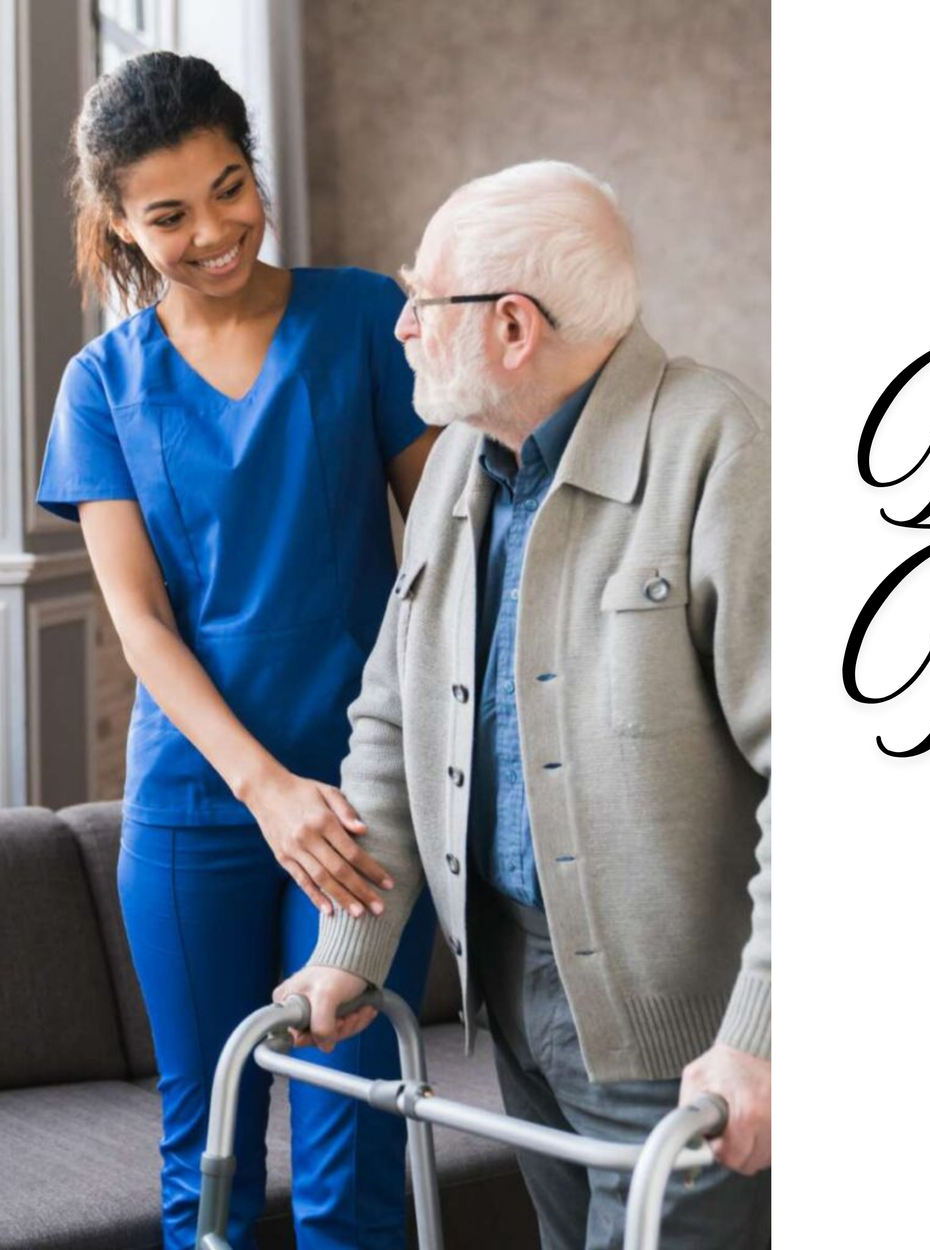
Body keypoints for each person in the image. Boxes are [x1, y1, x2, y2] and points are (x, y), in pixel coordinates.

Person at [271, 160, 772, 1249]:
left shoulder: (718, 446)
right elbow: (395, 720)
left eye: (423, 298)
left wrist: (764, 1035)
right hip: (512, 993)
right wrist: (347, 948)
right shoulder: (460, 463)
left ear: (511, 328)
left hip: (683, 1039)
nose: (401, 326)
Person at [34, 52, 442, 1250]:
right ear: (118, 220)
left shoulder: (365, 317)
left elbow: (441, 560)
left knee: (352, 1149)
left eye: (230, 187)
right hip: (195, 807)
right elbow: (141, 623)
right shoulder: (100, 385)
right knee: (203, 1150)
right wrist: (263, 789)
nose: (215, 229)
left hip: (362, 805)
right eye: (169, 213)